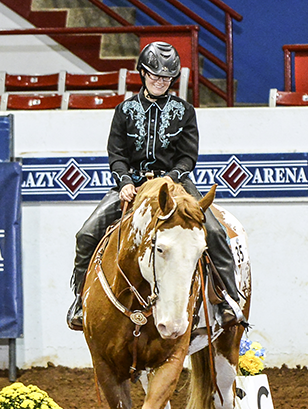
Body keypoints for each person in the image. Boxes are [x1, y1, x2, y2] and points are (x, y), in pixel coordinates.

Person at [67, 41, 245, 331]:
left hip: (175, 183)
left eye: (166, 77)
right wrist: (124, 181)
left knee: (213, 229)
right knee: (87, 233)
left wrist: (171, 179)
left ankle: (227, 299)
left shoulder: (184, 111)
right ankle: (79, 300)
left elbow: (188, 156)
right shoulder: (124, 111)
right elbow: (117, 154)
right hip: (133, 185)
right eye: (154, 75)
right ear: (142, 73)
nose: (160, 81)